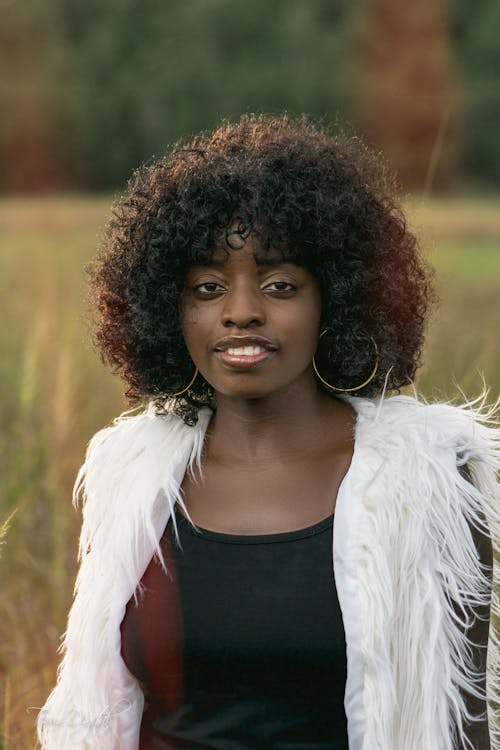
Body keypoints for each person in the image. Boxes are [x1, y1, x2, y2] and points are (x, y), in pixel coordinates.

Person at [37, 114, 499, 750]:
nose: (242, 311)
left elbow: (462, 725)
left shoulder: (433, 484)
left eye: (281, 285)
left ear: (334, 299)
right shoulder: (130, 477)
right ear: (168, 308)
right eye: (207, 287)